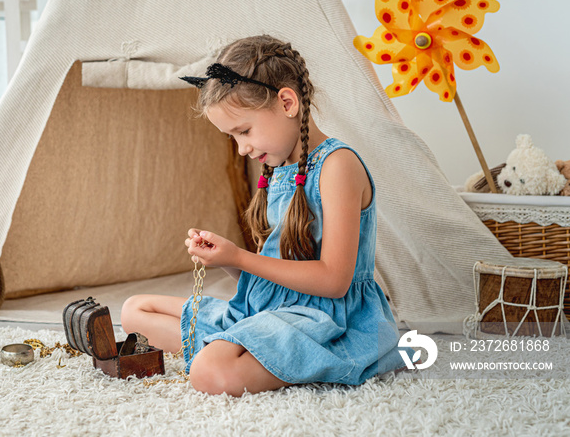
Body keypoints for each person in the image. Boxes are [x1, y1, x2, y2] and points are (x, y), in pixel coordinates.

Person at [121, 35, 405, 396]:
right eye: (233, 138)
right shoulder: (279, 166)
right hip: (270, 307)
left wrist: (241, 256)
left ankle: (257, 351)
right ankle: (246, 346)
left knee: (210, 371)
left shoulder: (338, 166)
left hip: (327, 319)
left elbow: (334, 281)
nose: (243, 149)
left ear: (287, 102)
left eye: (244, 131)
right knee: (135, 311)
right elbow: (269, 274)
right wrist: (225, 260)